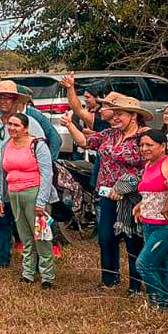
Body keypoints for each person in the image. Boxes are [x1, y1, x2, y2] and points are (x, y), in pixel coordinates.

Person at [67, 93, 150, 293]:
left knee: (133, 241)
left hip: (131, 198)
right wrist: (69, 125)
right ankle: (109, 279)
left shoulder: (144, 138)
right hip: (106, 195)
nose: (115, 118)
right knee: (106, 237)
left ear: (134, 116)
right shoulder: (110, 134)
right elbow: (85, 143)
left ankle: (135, 285)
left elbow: (149, 166)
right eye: (114, 114)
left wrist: (127, 185)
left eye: (120, 114)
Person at [0, 81, 48, 268]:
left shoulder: (29, 123)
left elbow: (43, 148)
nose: (3, 102)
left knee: (28, 219)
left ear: (16, 101)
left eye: (7, 98)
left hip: (23, 179)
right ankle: (1, 257)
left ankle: (37, 260)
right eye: (0, 98)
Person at [0, 113, 57, 287]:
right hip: (14, 194)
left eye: (17, 125)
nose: (12, 128)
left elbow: (47, 173)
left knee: (41, 236)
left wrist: (41, 201)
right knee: (25, 236)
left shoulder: (37, 145)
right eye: (10, 124)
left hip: (34, 193)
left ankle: (47, 276)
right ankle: (28, 272)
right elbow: (1, 173)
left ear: (26, 128)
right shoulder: (5, 146)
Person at [133, 128, 168, 310]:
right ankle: (165, 305)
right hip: (149, 222)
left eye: (149, 145)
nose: (144, 148)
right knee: (161, 264)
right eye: (142, 145)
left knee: (144, 264)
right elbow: (151, 192)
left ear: (163, 146)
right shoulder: (148, 165)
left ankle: (155, 300)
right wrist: (140, 204)